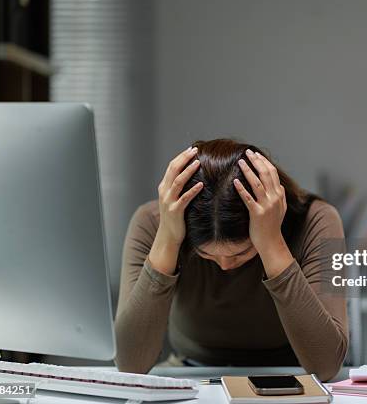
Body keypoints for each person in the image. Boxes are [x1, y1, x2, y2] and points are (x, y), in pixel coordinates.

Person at [114, 139, 348, 381]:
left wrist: (271, 244)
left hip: (290, 374)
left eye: (240, 253)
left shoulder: (318, 220)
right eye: (205, 254)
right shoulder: (151, 222)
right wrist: (167, 239)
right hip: (190, 372)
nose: (225, 266)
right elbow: (131, 364)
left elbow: (326, 365)